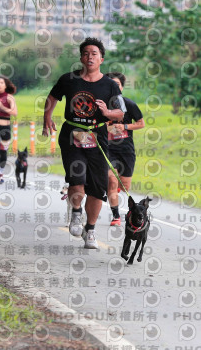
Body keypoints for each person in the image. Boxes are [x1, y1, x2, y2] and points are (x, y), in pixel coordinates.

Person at [42, 37, 125, 249]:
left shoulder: (110, 85)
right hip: (72, 134)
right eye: (86, 53)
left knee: (97, 188)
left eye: (94, 54)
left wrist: (107, 112)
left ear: (101, 59)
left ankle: (91, 229)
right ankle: (76, 213)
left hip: (97, 136)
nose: (90, 57)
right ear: (81, 58)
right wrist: (47, 118)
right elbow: (52, 98)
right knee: (76, 177)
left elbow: (120, 112)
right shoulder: (68, 79)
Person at [105, 72, 145, 226]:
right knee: (112, 180)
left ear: (121, 87)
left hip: (126, 150)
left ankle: (114, 190)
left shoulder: (129, 104)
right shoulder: (101, 106)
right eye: (110, 85)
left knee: (124, 186)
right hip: (108, 149)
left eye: (117, 85)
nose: (114, 88)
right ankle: (116, 216)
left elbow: (141, 124)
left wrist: (125, 127)